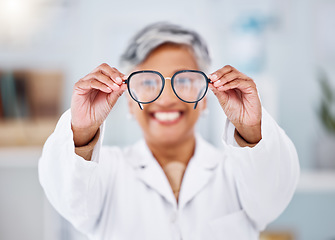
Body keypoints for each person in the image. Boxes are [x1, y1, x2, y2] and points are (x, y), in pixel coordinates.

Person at [38, 22, 300, 240]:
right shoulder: (104, 173)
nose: (165, 98)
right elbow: (71, 200)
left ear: (206, 96)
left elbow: (271, 199)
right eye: (148, 82)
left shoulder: (237, 173)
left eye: (184, 80)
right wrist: (81, 131)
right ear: (128, 100)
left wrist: (252, 130)